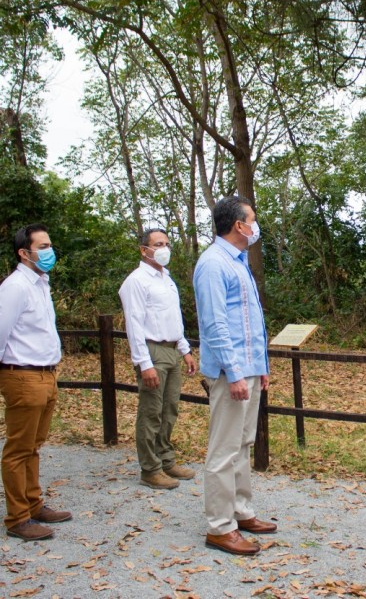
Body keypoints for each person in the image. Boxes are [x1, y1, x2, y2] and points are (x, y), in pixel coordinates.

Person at [193, 196, 275, 556]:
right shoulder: (212, 264)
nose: (256, 227)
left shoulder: (238, 262)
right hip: (231, 373)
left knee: (243, 443)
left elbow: (250, 322)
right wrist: (235, 372)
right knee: (224, 449)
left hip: (249, 369)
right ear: (239, 226)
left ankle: (241, 512)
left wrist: (262, 368)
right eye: (252, 220)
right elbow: (215, 326)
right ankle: (219, 527)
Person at [0, 224, 72, 541]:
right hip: (23, 375)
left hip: (46, 374)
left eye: (49, 244)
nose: (48, 251)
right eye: (42, 246)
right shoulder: (15, 286)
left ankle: (33, 504)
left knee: (34, 446)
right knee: (18, 449)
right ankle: (17, 518)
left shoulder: (41, 283)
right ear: (24, 252)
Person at [119, 229, 197, 490]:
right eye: (157, 244)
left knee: (169, 409)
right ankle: (150, 468)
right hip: (152, 350)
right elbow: (134, 324)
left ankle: (165, 459)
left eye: (166, 243)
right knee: (151, 411)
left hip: (172, 349)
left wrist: (184, 349)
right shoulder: (137, 281)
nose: (164, 248)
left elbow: (173, 318)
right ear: (144, 250)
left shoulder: (166, 278)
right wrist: (144, 363)